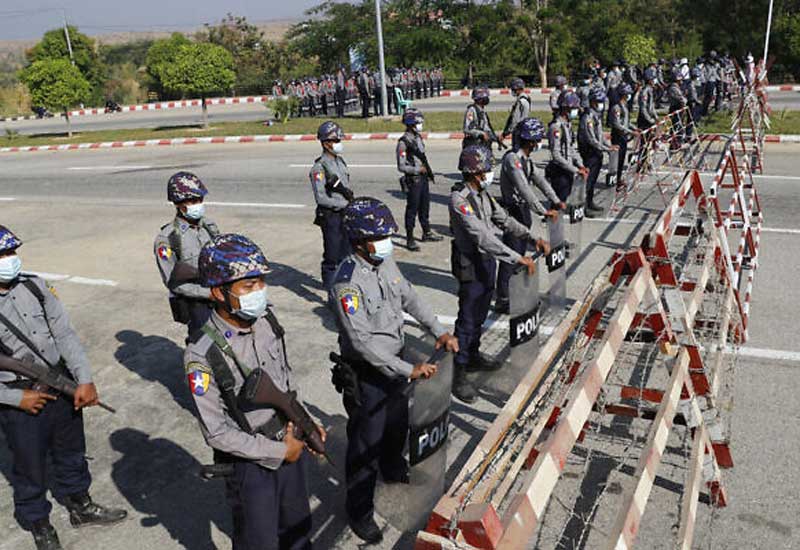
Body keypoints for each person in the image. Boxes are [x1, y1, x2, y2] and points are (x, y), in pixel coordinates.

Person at [330, 198, 458, 543]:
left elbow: (409, 297)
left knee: (397, 425)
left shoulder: (384, 261)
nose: (387, 241)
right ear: (359, 241)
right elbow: (361, 342)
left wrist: (438, 330)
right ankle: (359, 511)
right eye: (379, 236)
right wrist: (408, 369)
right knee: (364, 446)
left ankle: (393, 468)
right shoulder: (346, 282)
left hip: (398, 363)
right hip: (369, 373)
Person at [185, 233, 323, 549]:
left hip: (290, 441)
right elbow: (217, 433)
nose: (259, 292)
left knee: (299, 529)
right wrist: (279, 452)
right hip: (251, 464)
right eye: (248, 286)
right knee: (258, 541)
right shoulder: (201, 355)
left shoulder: (266, 321)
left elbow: (286, 382)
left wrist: (305, 423)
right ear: (218, 292)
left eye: (260, 282)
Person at [0, 225, 127, 550]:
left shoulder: (36, 286)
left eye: (11, 252)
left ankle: (80, 505)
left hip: (61, 384)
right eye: (2, 255)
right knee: (29, 467)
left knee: (71, 451)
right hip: (20, 398)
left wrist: (84, 379)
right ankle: (38, 522)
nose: (10, 260)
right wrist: (17, 398)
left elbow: (65, 334)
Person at [449, 146, 546, 403]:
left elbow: (504, 220)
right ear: (474, 172)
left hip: (486, 261)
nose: (489, 173)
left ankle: (473, 355)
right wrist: (518, 258)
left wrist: (532, 238)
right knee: (467, 318)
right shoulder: (460, 200)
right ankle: (458, 373)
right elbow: (482, 235)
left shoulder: (484, 194)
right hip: (470, 262)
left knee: (480, 313)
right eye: (485, 169)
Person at [495, 118, 559, 314]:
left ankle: (516, 291)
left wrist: (555, 200)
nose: (539, 142)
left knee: (520, 254)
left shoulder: (526, 160)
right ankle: (503, 298)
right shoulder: (512, 159)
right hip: (513, 212)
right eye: (538, 139)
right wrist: (542, 210)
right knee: (511, 255)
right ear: (530, 141)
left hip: (522, 213)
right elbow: (524, 189)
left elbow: (539, 180)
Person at [154, 172, 220, 337]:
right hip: (197, 305)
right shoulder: (168, 238)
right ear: (178, 204)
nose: (198, 205)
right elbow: (173, 282)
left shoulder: (209, 226)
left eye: (200, 200)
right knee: (206, 350)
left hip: (220, 298)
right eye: (192, 201)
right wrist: (209, 294)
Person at [310, 121, 354, 290]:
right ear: (326, 143)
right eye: (335, 141)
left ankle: (345, 285)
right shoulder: (319, 168)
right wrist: (344, 203)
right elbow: (321, 198)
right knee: (332, 255)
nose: (338, 144)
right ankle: (330, 290)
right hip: (331, 216)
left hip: (345, 214)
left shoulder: (340, 162)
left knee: (347, 252)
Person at [396, 109, 443, 251]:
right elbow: (401, 166)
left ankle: (426, 232)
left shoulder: (417, 137)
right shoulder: (403, 143)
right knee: (412, 209)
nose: (420, 125)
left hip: (422, 179)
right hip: (413, 180)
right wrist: (417, 170)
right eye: (418, 122)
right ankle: (410, 238)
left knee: (425, 207)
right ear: (411, 124)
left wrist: (427, 172)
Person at [578, 88, 618, 216]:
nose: (601, 104)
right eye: (598, 101)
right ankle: (583, 207)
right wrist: (606, 149)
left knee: (593, 180)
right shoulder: (588, 117)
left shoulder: (596, 115)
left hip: (597, 152)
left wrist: (608, 146)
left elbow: (600, 136)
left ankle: (590, 202)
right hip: (590, 152)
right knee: (588, 181)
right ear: (592, 102)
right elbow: (591, 139)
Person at [546, 91, 589, 203]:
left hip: (567, 168)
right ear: (565, 109)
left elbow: (570, 148)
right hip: (559, 171)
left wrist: (580, 165)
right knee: (559, 202)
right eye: (574, 108)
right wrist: (575, 170)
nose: (576, 111)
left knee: (565, 198)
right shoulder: (556, 127)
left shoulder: (567, 124)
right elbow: (556, 155)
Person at [607, 82, 638, 188]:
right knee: (617, 160)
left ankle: (619, 178)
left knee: (621, 160)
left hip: (624, 136)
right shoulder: (616, 108)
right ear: (624, 94)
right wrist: (630, 132)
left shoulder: (624, 106)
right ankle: (615, 180)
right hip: (618, 136)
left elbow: (626, 121)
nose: (629, 95)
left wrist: (634, 128)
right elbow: (616, 124)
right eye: (628, 94)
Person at [462, 86, 504, 151]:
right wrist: (481, 134)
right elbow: (467, 129)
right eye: (485, 97)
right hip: (474, 146)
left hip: (484, 147)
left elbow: (486, 129)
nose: (487, 99)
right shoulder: (472, 110)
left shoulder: (482, 112)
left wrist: (496, 138)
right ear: (480, 99)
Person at [502, 77, 531, 150]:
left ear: (517, 89)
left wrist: (507, 132)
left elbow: (515, 119)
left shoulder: (520, 101)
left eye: (513, 89)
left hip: (518, 130)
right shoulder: (526, 99)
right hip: (524, 129)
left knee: (517, 150)